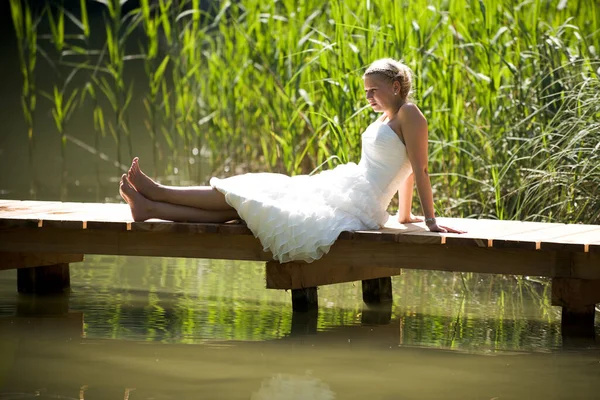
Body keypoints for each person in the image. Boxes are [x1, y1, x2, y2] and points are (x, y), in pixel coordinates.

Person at [119, 58, 464, 263]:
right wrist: (405, 216)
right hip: (345, 187)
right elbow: (402, 169)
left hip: (358, 204)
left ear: (396, 84)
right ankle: (153, 205)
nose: (369, 97)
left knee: (257, 198)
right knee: (253, 197)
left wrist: (430, 220)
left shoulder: (410, 114)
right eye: (366, 92)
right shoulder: (385, 119)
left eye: (374, 90)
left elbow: (418, 168)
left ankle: (159, 194)